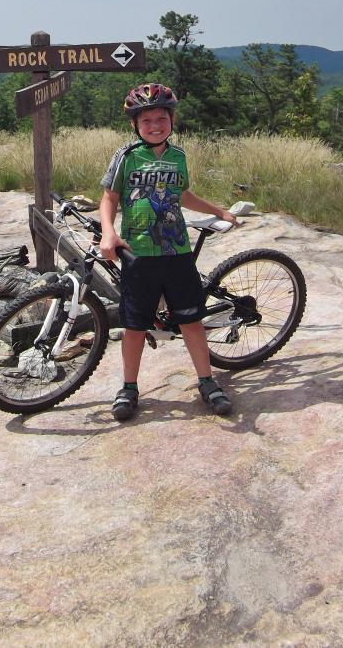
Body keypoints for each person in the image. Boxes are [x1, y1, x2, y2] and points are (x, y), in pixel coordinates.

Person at [99, 82, 240, 422]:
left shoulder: (178, 157)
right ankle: (129, 387)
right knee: (134, 326)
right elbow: (109, 198)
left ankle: (207, 381)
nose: (154, 125)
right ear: (135, 125)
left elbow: (183, 195)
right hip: (139, 254)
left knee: (190, 320)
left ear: (171, 120)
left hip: (177, 252)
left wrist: (219, 210)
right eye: (146, 121)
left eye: (161, 118)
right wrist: (108, 233)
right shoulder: (127, 156)